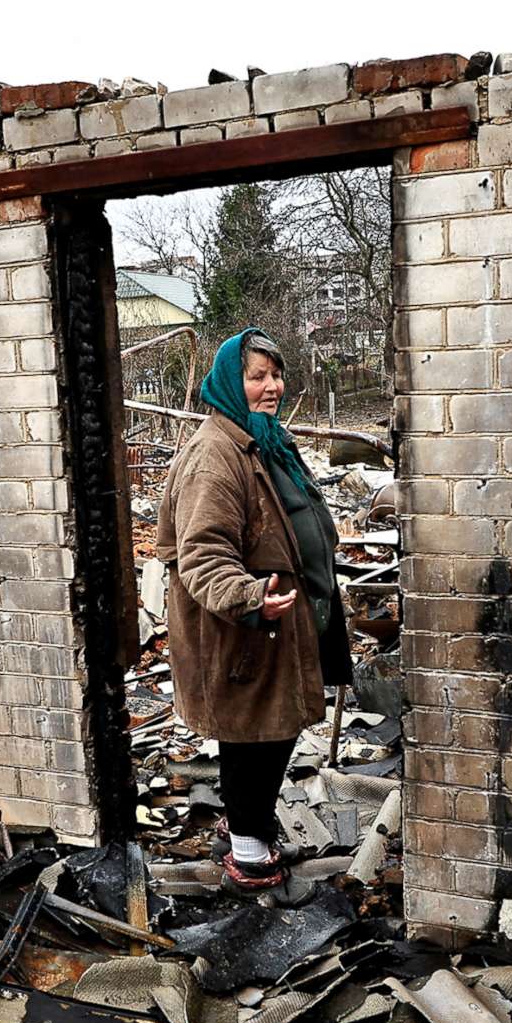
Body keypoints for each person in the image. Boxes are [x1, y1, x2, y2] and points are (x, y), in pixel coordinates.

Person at [151, 329, 353, 889]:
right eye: (256, 376)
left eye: (275, 374)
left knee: (275, 729)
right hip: (244, 626)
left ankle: (254, 830)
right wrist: (247, 597)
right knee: (251, 735)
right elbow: (202, 553)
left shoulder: (262, 439)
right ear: (228, 384)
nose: (272, 387)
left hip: (281, 620)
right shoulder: (215, 456)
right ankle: (247, 852)